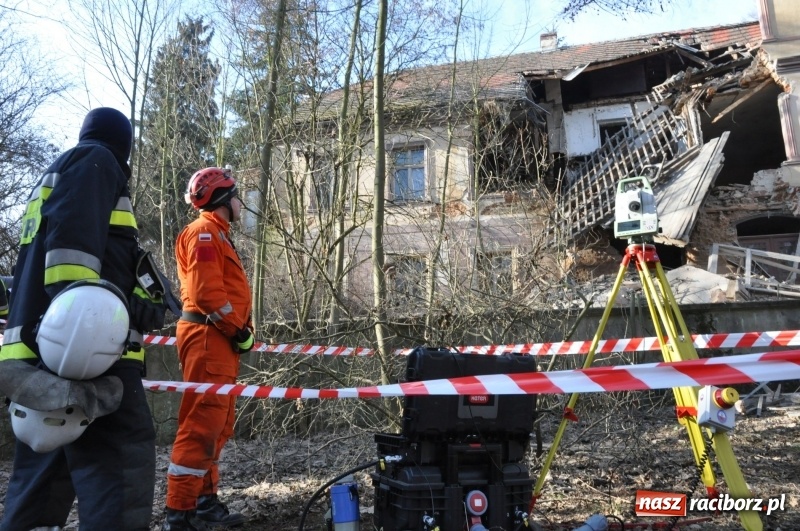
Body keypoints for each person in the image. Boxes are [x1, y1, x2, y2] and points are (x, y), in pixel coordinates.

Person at [0, 108, 162, 530]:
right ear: (124, 144)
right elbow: (71, 259)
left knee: (40, 482)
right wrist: (82, 340)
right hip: (87, 356)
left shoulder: (55, 177)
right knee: (119, 470)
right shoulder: (97, 162)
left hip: (40, 357)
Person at [162, 167, 254, 530]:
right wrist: (238, 330)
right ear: (221, 199)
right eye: (235, 195)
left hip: (217, 339)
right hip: (208, 337)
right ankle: (179, 513)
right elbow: (206, 294)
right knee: (202, 424)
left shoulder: (217, 235)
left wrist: (238, 332)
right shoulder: (203, 234)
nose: (239, 201)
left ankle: (204, 503)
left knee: (217, 424)